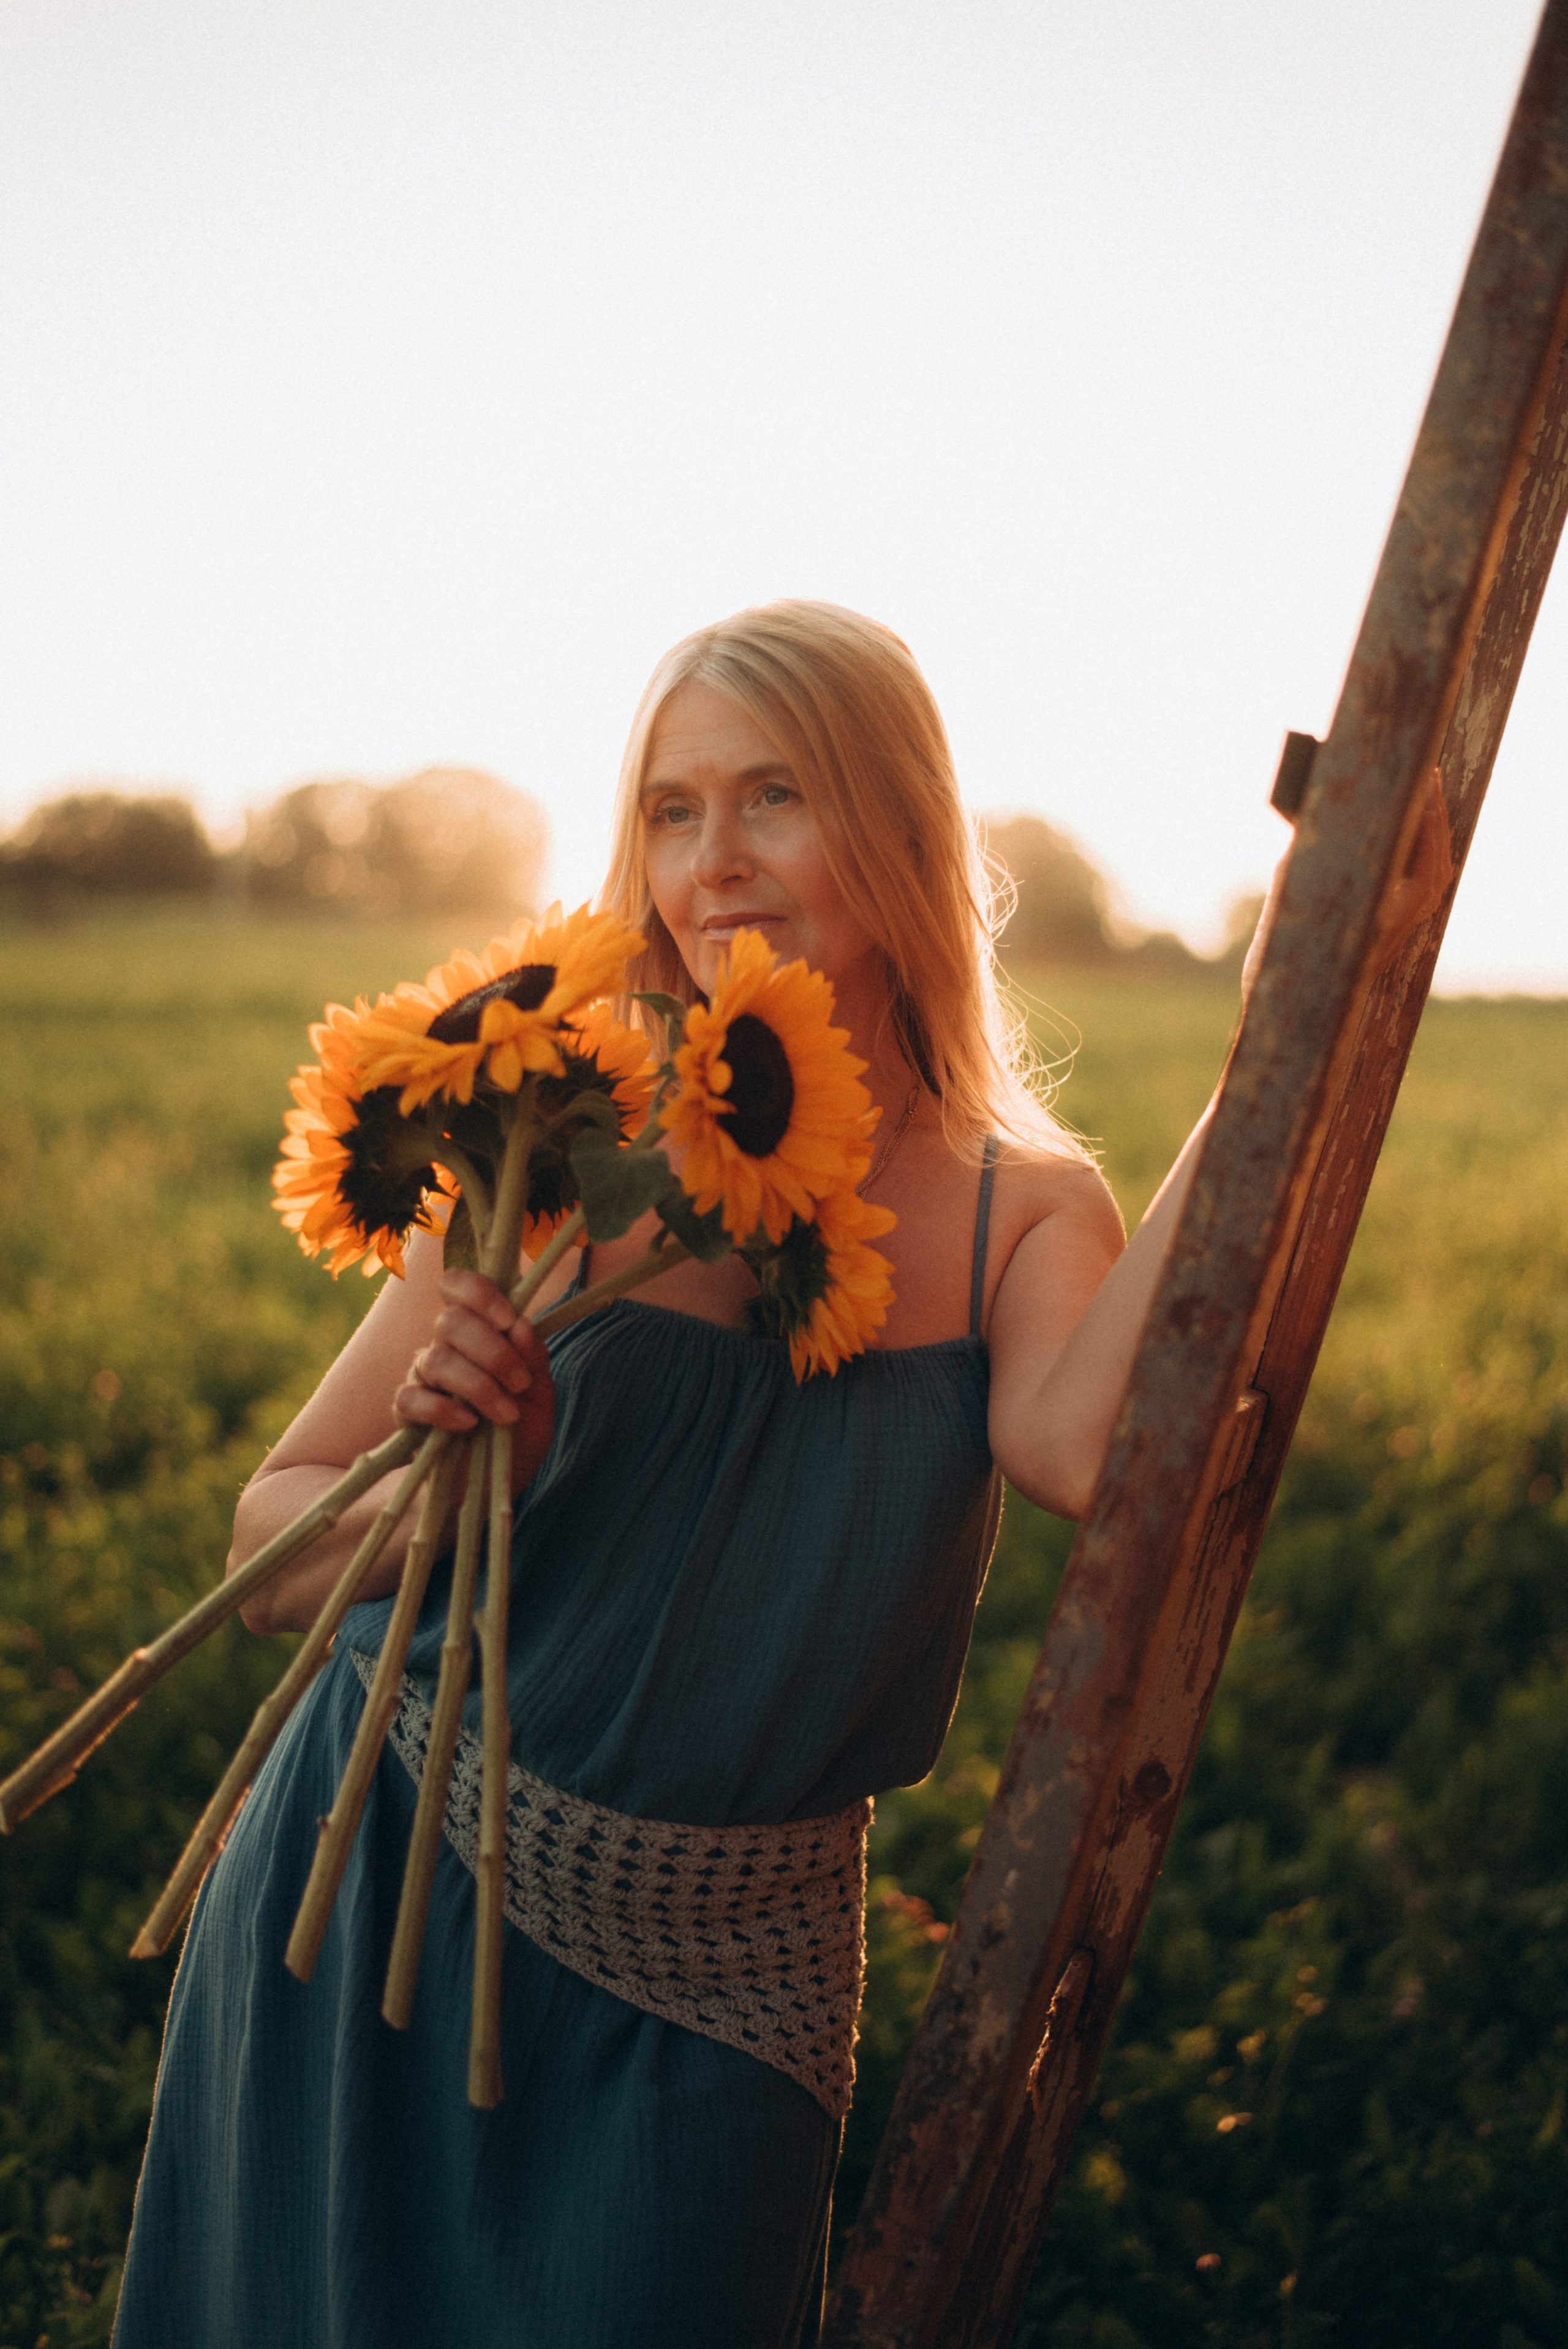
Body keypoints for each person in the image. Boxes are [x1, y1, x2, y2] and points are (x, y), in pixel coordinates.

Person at [111, 600, 1450, 2349]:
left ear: (898, 829)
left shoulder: (1020, 1214)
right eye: (674, 810)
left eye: (773, 798)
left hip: (727, 1987)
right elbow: (268, 1533)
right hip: (383, 1902)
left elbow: (1076, 1451)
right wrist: (431, 1491)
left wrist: (1268, 1042)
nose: (712, 863)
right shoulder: (559, 1144)